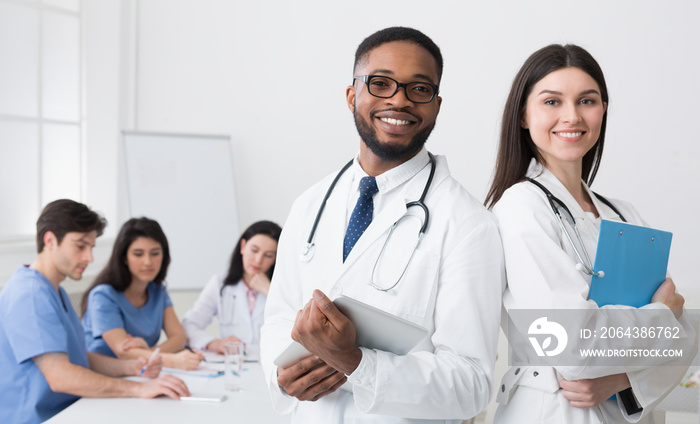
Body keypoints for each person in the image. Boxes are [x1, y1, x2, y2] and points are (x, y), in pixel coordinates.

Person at [260, 27, 504, 424]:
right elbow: (278, 319)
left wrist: (356, 363)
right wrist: (282, 374)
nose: (399, 100)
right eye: (381, 83)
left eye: (419, 89)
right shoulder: (309, 205)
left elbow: (472, 384)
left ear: (437, 105)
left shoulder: (468, 224)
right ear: (352, 94)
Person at [485, 44, 697, 423]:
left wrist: (623, 378)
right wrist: (662, 315)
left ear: (602, 110)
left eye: (587, 100)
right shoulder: (520, 207)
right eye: (552, 102)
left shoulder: (623, 214)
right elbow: (571, 345)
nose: (572, 116)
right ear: (523, 115)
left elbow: (687, 343)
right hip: (553, 411)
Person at [0, 200, 189, 424]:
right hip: (40, 418)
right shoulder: (30, 294)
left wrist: (131, 367)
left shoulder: (53, 290)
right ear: (49, 240)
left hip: (74, 408)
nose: (89, 258)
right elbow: (60, 376)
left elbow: (78, 356)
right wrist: (137, 389)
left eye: (91, 247)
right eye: (80, 246)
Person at [81, 217, 204, 370]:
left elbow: (179, 338)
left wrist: (149, 354)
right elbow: (124, 352)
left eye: (155, 253)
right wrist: (173, 360)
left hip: (142, 373)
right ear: (124, 257)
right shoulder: (102, 296)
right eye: (138, 254)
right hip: (104, 377)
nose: (148, 262)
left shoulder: (158, 290)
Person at [182, 220, 282, 356]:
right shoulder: (219, 284)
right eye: (254, 250)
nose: (258, 260)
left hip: (271, 365)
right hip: (233, 364)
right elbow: (189, 326)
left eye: (268, 255)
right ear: (243, 246)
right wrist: (216, 344)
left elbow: (295, 326)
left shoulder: (281, 289)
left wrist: (269, 291)